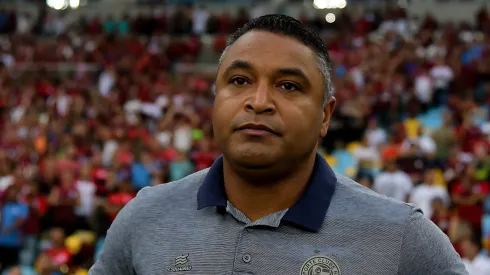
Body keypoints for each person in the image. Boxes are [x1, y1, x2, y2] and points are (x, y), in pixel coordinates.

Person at [89, 15, 468, 275]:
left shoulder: (401, 237)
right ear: (215, 99)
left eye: (288, 86)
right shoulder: (144, 219)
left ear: (325, 116)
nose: (258, 101)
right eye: (239, 80)